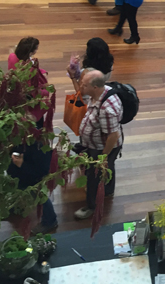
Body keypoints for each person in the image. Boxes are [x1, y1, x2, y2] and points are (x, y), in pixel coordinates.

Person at [72, 69, 123, 220]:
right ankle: (108, 190)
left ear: (95, 87)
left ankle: (91, 206)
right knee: (108, 167)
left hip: (103, 148)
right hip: (94, 144)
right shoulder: (98, 93)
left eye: (84, 84)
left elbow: (113, 135)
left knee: (93, 176)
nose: (81, 86)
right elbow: (81, 95)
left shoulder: (108, 108)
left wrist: (102, 157)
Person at [8, 139, 57, 234]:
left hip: (33, 178)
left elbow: (41, 171)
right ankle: (16, 208)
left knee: (39, 195)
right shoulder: (21, 138)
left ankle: (50, 221)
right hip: (19, 172)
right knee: (17, 188)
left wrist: (22, 164)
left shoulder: (39, 147)